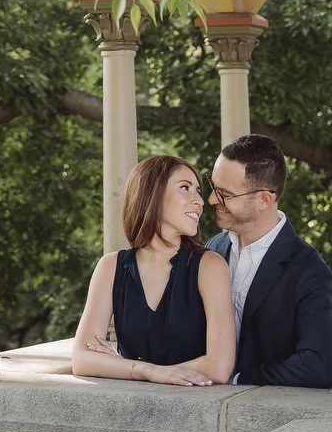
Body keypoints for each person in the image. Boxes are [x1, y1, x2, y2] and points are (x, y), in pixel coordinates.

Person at [72, 154, 236, 386]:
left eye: (197, 190)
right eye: (185, 188)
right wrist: (148, 371)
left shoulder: (210, 266)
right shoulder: (111, 267)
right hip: (129, 410)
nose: (200, 201)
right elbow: (82, 359)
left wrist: (128, 367)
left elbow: (219, 367)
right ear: (152, 195)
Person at [205, 133, 332, 388]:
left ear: (264, 199)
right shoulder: (213, 248)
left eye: (225, 194)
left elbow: (318, 366)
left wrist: (237, 380)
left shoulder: (308, 269)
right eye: (213, 188)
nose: (212, 200)